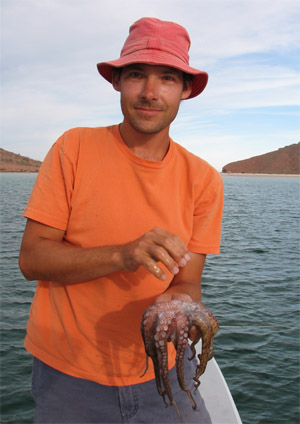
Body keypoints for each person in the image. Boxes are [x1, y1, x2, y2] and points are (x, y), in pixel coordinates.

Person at [19, 17, 223, 424]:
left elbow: (187, 281)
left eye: (167, 78)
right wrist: (123, 254)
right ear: (116, 82)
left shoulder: (204, 180)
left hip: (163, 372)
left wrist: (179, 304)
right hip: (69, 376)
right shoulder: (73, 148)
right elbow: (32, 260)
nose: (150, 92)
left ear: (185, 89)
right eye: (136, 75)